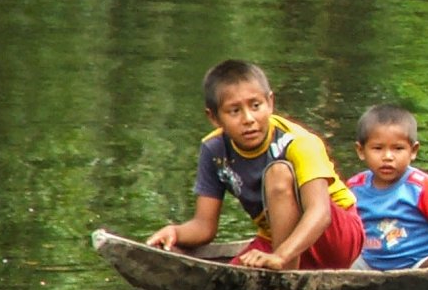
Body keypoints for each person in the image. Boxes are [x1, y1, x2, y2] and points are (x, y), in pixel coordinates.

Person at [146, 59, 364, 270]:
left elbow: (320, 213)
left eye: (256, 106)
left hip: (335, 237)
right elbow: (204, 226)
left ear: (270, 103)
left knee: (278, 171)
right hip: (278, 240)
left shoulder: (298, 142)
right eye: (234, 111)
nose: (248, 119)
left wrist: (280, 256)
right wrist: (175, 232)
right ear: (214, 118)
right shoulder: (214, 150)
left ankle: (286, 275)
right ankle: (283, 269)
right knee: (228, 281)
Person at [347, 104, 428, 271]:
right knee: (336, 259)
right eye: (377, 148)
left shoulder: (419, 185)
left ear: (413, 151)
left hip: (418, 265)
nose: (387, 157)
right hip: (369, 265)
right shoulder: (355, 187)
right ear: (361, 151)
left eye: (398, 149)